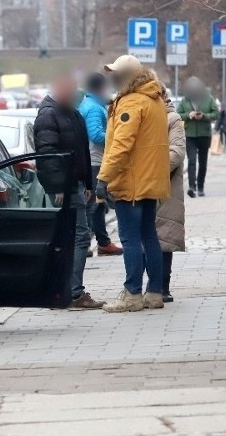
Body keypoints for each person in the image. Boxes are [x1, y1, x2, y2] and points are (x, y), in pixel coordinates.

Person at [96, 55, 171, 313]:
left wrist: (104, 178)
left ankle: (132, 294)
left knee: (130, 239)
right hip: (150, 180)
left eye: (115, 74)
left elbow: (121, 146)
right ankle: (155, 292)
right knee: (149, 236)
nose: (112, 79)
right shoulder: (155, 99)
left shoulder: (131, 103)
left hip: (132, 181)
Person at [34, 73, 104, 310]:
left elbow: (81, 150)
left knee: (74, 237)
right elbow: (47, 154)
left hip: (75, 184)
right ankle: (72, 293)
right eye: (70, 91)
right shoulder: (48, 115)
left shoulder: (70, 112)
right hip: (63, 187)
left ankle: (66, 292)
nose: (75, 95)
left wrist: (86, 183)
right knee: (78, 236)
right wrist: (57, 186)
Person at [78, 73, 123, 257]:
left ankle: (102, 242)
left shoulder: (89, 104)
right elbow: (96, 135)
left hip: (93, 159)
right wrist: (116, 137)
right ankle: (87, 244)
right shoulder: (95, 108)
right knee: (94, 204)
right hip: (95, 160)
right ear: (99, 88)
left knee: (97, 204)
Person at [158, 97, 186, 303]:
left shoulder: (172, 119)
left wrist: (151, 172)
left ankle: (162, 286)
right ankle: (146, 286)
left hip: (166, 186)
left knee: (165, 236)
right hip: (140, 188)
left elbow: (176, 152)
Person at [177, 77, 219, 197]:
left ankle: (200, 186)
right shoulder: (184, 101)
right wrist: (188, 115)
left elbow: (216, 114)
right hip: (190, 135)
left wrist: (204, 116)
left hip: (204, 135)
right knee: (191, 161)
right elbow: (177, 114)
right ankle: (192, 187)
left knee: (203, 162)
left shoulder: (208, 99)